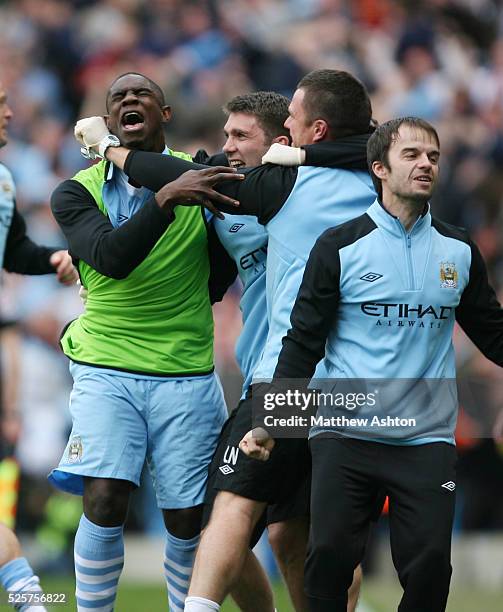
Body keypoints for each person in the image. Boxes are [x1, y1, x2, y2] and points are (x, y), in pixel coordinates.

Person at [74, 68, 377, 612]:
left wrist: (109, 148)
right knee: (283, 533)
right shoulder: (230, 195)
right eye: (225, 135)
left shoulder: (287, 185)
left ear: (285, 141)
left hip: (311, 376)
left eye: (240, 137)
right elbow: (183, 205)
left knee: (231, 515)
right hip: (292, 370)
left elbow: (374, 152)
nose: (226, 148)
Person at [245, 117, 503, 611]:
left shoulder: (459, 250)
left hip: (424, 438)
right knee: (329, 557)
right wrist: (270, 420)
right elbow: (303, 341)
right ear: (380, 168)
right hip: (346, 434)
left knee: (429, 567)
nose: (425, 163)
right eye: (412, 155)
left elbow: (493, 333)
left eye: (432, 155)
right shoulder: (338, 246)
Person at [49, 72, 243, 612]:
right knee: (106, 497)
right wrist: (164, 202)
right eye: (119, 98)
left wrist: (173, 190)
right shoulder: (74, 193)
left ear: (165, 115)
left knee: (185, 516)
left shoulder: (197, 176)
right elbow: (111, 258)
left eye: (143, 95)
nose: (130, 99)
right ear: (108, 122)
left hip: (186, 370)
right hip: (106, 367)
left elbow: (219, 271)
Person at [0, 81, 77, 611]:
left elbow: (13, 250)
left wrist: (53, 259)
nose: (9, 112)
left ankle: (32, 602)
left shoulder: (4, 182)